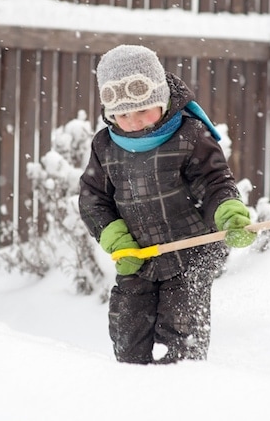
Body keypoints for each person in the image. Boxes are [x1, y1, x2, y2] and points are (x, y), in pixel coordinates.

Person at [78, 44, 256, 364]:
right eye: (122, 114)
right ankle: (129, 392)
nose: (133, 121)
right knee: (128, 331)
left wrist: (228, 212)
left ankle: (179, 389)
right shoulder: (104, 146)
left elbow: (215, 183)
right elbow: (93, 198)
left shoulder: (190, 135)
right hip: (138, 257)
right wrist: (117, 238)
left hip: (190, 252)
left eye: (143, 110)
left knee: (181, 329)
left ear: (162, 100)